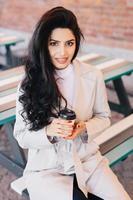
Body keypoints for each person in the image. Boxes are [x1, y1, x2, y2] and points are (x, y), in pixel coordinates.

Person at [13, 6, 131, 200]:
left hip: (87, 161)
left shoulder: (93, 75)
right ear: (43, 44)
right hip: (47, 167)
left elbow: (104, 117)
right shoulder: (30, 81)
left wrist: (84, 127)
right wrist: (49, 132)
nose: (62, 52)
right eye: (54, 43)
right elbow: (21, 135)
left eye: (69, 43)